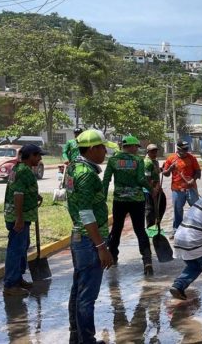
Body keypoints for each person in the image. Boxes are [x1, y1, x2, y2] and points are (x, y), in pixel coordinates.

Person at [65, 129, 117, 344]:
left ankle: (76, 335)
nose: (105, 152)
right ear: (93, 149)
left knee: (78, 290)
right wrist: (101, 246)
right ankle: (87, 340)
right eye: (103, 148)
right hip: (88, 240)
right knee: (87, 296)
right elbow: (86, 212)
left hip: (80, 237)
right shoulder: (86, 174)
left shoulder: (73, 167)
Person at [103, 135, 153, 275]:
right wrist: (151, 190)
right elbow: (141, 179)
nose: (137, 150)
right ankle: (147, 260)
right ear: (130, 146)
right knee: (140, 230)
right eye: (136, 147)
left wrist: (102, 197)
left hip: (120, 200)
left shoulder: (113, 160)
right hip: (137, 200)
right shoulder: (138, 160)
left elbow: (106, 180)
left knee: (117, 229)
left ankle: (113, 257)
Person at [3, 144, 46, 297]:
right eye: (38, 155)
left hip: (21, 216)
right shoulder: (23, 172)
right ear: (31, 156)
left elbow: (23, 190)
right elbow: (18, 194)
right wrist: (19, 218)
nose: (40, 158)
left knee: (22, 247)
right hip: (19, 217)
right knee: (16, 250)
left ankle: (17, 278)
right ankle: (10, 284)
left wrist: (35, 195)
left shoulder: (19, 169)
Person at [163, 141, 201, 238]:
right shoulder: (171, 158)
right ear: (178, 149)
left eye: (186, 149)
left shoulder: (192, 158)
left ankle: (197, 229)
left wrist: (193, 180)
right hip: (177, 189)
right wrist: (170, 169)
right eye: (183, 149)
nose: (185, 151)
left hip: (191, 188)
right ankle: (177, 230)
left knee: (196, 208)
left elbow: (198, 171)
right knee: (178, 210)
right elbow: (165, 174)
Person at [143, 143, 163, 227]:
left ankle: (156, 226)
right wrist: (152, 190)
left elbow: (156, 172)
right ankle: (150, 227)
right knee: (150, 210)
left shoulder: (155, 161)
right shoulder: (147, 162)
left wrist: (162, 169)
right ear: (148, 152)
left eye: (155, 152)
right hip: (149, 190)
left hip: (156, 188)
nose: (155, 154)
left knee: (157, 209)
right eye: (152, 152)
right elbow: (147, 179)